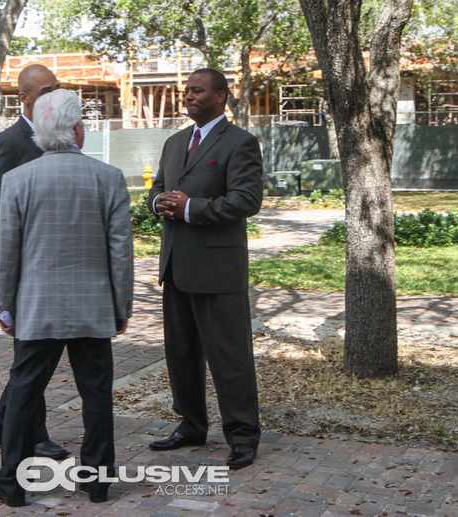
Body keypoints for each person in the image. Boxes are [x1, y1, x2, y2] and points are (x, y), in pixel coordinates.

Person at [0, 88, 134, 507]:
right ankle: (97, 479)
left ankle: (12, 482)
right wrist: (121, 306)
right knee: (96, 392)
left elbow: (8, 252)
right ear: (76, 129)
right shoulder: (108, 177)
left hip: (37, 309)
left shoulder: (17, 180)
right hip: (93, 307)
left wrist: (4, 303)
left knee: (24, 391)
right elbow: (120, 252)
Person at [147, 68, 263, 470]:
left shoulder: (240, 143)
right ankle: (191, 425)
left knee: (229, 356)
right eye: (187, 90)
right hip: (176, 265)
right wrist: (158, 202)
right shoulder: (175, 142)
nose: (188, 96)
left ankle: (243, 435)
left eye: (197, 91)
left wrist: (192, 208)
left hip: (218, 269)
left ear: (221, 97)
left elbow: (246, 200)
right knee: (181, 353)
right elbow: (157, 187)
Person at [0, 64, 69, 460]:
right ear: (24, 99)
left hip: (62, 269)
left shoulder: (63, 136)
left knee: (42, 353)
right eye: (46, 90)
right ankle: (33, 434)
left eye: (58, 88)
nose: (55, 95)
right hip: (30, 270)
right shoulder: (11, 142)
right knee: (34, 354)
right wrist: (22, 249)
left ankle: (3, 424)